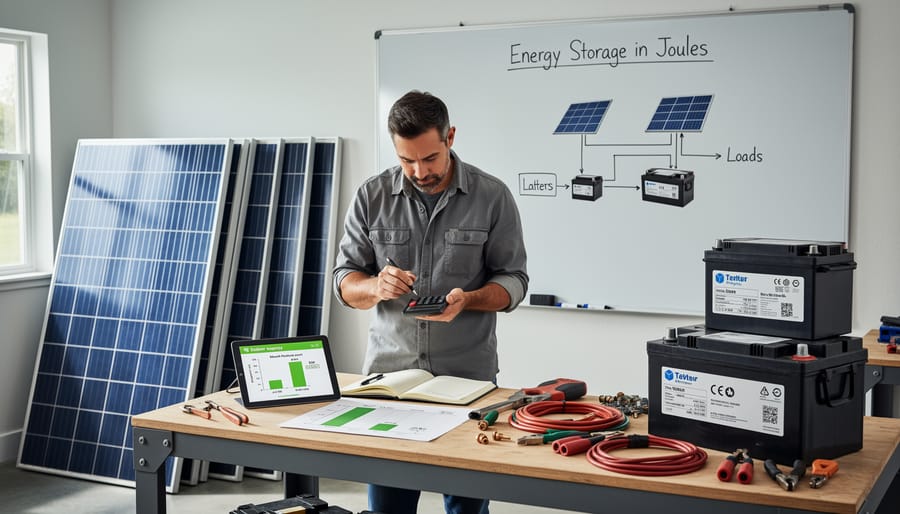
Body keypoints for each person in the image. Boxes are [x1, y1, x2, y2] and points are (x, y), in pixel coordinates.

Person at [332, 90, 529, 514]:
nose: (419, 172)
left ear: (450, 137)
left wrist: (471, 299)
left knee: (466, 508)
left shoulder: (492, 196)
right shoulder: (372, 195)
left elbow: (514, 280)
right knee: (388, 507)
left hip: (468, 382)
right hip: (388, 383)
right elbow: (344, 281)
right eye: (407, 161)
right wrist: (375, 287)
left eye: (430, 158)